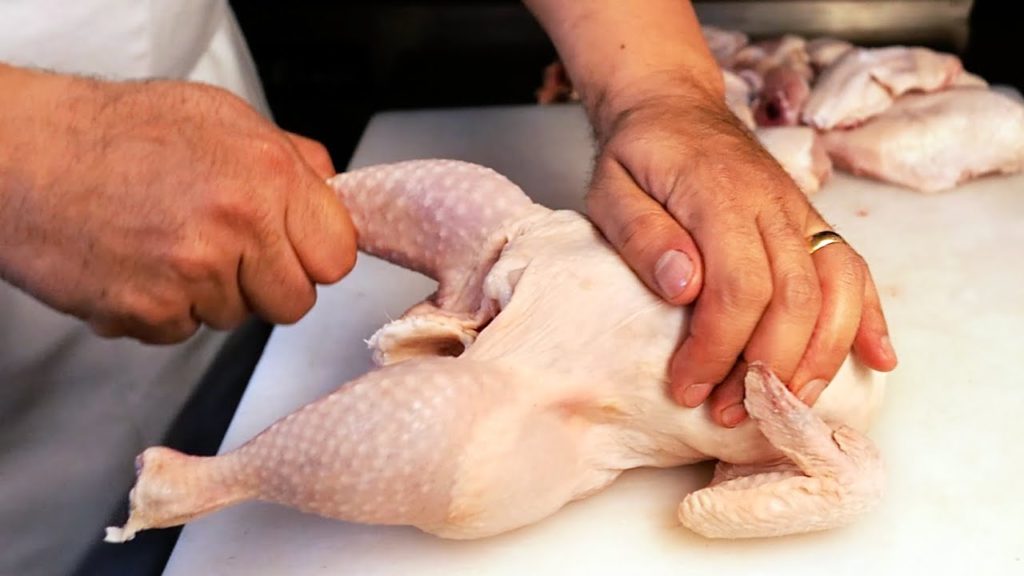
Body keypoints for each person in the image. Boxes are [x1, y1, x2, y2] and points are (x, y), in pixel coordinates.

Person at [0, 1, 897, 574]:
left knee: (462, 402)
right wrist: (32, 154)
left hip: (180, 129)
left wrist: (664, 90)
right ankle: (205, 481)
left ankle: (214, 470)